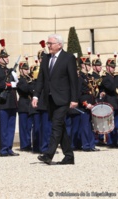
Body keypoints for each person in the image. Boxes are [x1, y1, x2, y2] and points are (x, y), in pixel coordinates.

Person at [32, 34, 78, 165]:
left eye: (50, 43)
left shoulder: (68, 58)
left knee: (56, 125)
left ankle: (48, 154)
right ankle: (69, 156)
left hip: (63, 98)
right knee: (60, 127)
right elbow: (41, 78)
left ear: (59, 45)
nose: (48, 45)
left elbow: (73, 80)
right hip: (50, 99)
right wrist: (36, 95)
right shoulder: (46, 58)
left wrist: (74, 99)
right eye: (48, 43)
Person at [0, 39, 19, 157]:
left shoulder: (10, 70)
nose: (7, 59)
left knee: (11, 127)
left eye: (7, 57)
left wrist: (14, 80)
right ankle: (3, 149)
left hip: (12, 101)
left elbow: (17, 83)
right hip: (2, 102)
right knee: (4, 127)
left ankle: (9, 148)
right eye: (4, 57)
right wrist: (9, 84)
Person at [78, 56, 99, 152]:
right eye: (87, 64)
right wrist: (85, 104)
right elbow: (78, 93)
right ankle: (86, 145)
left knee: (91, 125)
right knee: (85, 125)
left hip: (91, 103)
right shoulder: (79, 77)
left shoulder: (88, 77)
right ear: (83, 65)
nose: (90, 66)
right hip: (84, 105)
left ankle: (91, 144)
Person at [99, 58, 118, 148]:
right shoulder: (105, 78)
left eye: (114, 67)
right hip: (110, 103)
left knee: (116, 124)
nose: (113, 69)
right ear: (107, 67)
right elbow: (112, 88)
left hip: (116, 103)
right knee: (110, 124)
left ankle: (115, 141)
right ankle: (110, 142)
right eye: (111, 67)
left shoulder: (114, 77)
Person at [17, 61, 33, 151]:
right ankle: (24, 145)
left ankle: (28, 143)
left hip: (30, 104)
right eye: (25, 69)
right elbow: (25, 89)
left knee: (29, 126)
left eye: (27, 69)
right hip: (23, 104)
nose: (27, 71)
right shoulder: (19, 79)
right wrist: (30, 84)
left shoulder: (29, 79)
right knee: (23, 127)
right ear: (20, 70)